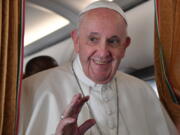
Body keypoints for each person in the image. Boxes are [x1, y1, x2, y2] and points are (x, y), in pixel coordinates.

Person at [19, 1, 179, 135]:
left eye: (113, 41)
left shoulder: (143, 91)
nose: (103, 53)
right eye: (93, 39)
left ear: (125, 46)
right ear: (76, 41)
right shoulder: (31, 91)